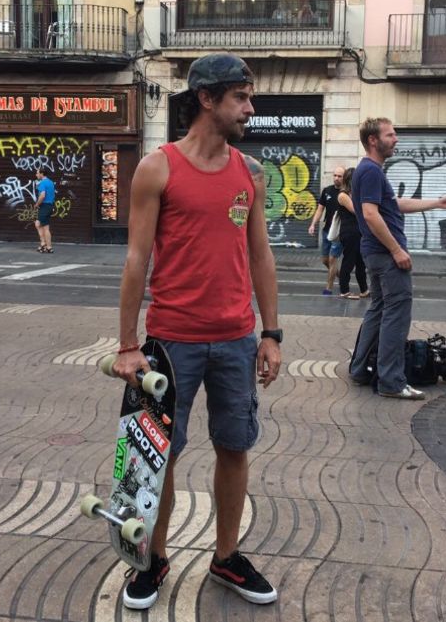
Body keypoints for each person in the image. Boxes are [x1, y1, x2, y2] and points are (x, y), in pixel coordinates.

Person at [111, 52, 280, 610]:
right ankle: (153, 557)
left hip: (235, 337)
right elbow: (137, 259)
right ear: (206, 99)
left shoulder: (249, 173)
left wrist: (271, 332)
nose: (250, 109)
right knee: (159, 455)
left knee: (235, 447)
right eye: (240, 97)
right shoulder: (158, 168)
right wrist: (129, 345)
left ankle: (226, 557)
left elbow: (261, 255)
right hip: (171, 341)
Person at [348, 118, 446, 399]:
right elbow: (372, 214)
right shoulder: (371, 171)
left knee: (378, 309)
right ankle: (391, 381)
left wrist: (436, 202)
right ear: (373, 140)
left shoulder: (368, 170)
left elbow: (393, 204)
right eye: (391, 134)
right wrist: (397, 249)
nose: (396, 139)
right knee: (396, 315)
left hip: (374, 253)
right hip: (386, 255)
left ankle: (360, 370)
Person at [308, 166, 344, 295]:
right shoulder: (327, 191)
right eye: (335, 175)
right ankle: (342, 277)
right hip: (326, 231)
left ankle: (328, 288)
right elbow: (320, 209)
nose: (336, 178)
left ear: (344, 177)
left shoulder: (346, 193)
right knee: (325, 260)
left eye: (339, 176)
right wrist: (313, 224)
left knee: (333, 259)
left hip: (338, 233)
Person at [335, 167, 368, 299]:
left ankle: (364, 290)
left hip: (358, 232)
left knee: (361, 263)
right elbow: (356, 210)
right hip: (349, 232)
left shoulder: (355, 193)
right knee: (349, 261)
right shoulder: (343, 195)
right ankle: (344, 290)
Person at [34, 168, 55, 253]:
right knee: (38, 224)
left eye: (37, 173)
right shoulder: (50, 182)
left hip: (45, 206)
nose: (36, 175)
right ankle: (43, 244)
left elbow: (42, 195)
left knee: (45, 227)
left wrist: (37, 204)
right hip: (49, 206)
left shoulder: (42, 183)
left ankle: (48, 247)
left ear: (42, 174)